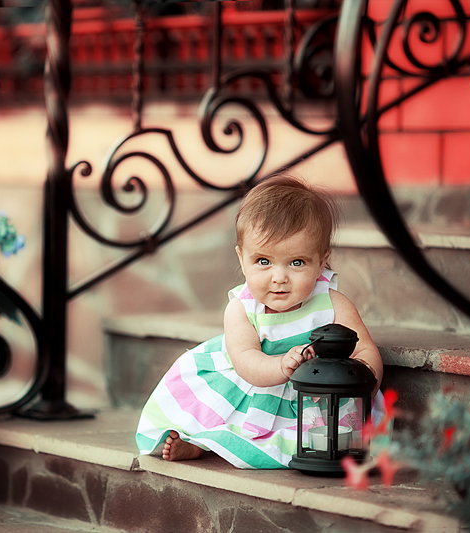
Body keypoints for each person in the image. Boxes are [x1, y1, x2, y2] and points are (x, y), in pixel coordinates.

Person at [134, 174, 386, 469]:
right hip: (254, 386)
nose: (279, 277)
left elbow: (364, 349)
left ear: (321, 261)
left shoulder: (332, 303)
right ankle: (199, 443)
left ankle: (212, 444)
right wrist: (281, 366)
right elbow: (245, 360)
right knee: (222, 424)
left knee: (324, 441)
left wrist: (361, 383)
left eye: (296, 262)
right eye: (263, 262)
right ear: (242, 259)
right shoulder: (242, 308)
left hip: (314, 396)